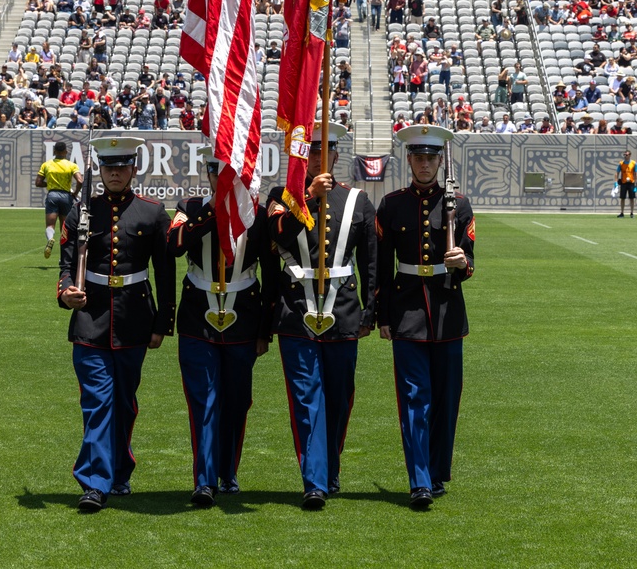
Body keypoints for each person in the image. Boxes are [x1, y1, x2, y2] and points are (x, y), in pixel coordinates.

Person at [57, 137, 176, 511]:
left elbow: (166, 272)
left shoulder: (153, 213)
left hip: (134, 318)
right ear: (99, 169)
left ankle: (119, 470)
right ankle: (94, 482)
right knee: (97, 403)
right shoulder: (81, 211)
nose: (114, 173)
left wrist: (162, 322)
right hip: (90, 318)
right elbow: (65, 264)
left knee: (123, 403)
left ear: (133, 168)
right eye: (108, 166)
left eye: (121, 166)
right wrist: (65, 292)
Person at [267, 124, 377, 509]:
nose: (318, 157)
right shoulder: (282, 197)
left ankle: (330, 468)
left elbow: (371, 262)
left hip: (343, 310)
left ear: (335, 155)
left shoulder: (359, 200)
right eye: (311, 151)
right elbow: (277, 235)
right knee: (305, 398)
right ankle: (313, 480)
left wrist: (371, 311)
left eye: (325, 150)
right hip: (296, 310)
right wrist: (309, 197)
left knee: (339, 398)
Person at [166, 147, 279, 507]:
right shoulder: (191, 206)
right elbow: (174, 245)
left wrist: (265, 331)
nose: (222, 181)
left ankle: (228, 471)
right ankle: (204, 479)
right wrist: (211, 213)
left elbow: (272, 275)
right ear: (209, 174)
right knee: (203, 400)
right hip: (198, 316)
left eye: (230, 175)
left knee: (236, 400)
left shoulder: (257, 214)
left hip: (243, 316)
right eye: (217, 174)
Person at [376, 125, 475, 509]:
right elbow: (383, 268)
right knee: (415, 399)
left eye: (431, 158)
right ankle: (419, 480)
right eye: (418, 157)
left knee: (446, 400)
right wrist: (382, 315)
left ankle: (436, 472)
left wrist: (461, 261)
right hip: (406, 313)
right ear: (409, 160)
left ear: (438, 161)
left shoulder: (460, 205)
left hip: (448, 311)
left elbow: (470, 263)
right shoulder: (392, 204)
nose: (424, 164)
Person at [37, 141, 83, 258]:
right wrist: (76, 193)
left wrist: (49, 184)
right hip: (66, 196)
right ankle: (64, 257)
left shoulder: (46, 165)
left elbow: (38, 182)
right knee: (65, 227)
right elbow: (80, 180)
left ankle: (50, 238)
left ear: (54, 152)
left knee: (50, 225)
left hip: (52, 195)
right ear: (66, 152)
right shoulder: (71, 165)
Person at [615, 150, 637, 218]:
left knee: (632, 198)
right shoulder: (621, 163)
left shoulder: (634, 163)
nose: (625, 156)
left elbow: (636, 173)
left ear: (630, 155)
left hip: (631, 183)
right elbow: (617, 173)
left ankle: (632, 213)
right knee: (622, 198)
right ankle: (622, 213)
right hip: (623, 183)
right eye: (624, 155)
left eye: (627, 155)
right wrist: (616, 182)